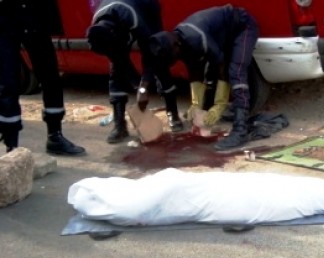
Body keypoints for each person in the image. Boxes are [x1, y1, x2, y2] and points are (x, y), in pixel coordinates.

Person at [148, 4, 259, 150]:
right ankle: (217, 110)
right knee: (214, 70)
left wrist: (220, 104)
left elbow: (221, 66)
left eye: (172, 58)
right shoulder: (178, 42)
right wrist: (196, 103)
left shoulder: (196, 38)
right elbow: (194, 69)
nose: (174, 61)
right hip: (223, 34)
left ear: (176, 45)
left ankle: (241, 130)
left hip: (242, 26)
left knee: (236, 72)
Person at [86, 0, 184, 144]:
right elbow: (118, 58)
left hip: (146, 8)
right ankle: (119, 126)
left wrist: (144, 86)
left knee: (158, 56)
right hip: (120, 23)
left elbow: (149, 52)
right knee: (116, 68)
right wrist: (136, 86)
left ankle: (173, 113)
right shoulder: (98, 28)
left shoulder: (132, 18)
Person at [0, 0, 86, 155]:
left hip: (35, 16)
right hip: (4, 19)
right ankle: (11, 146)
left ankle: (55, 137)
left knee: (51, 77)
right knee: (8, 83)